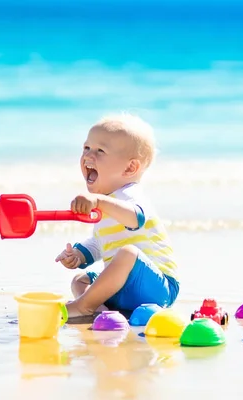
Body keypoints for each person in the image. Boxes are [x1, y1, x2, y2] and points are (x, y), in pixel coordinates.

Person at [55, 113, 179, 319]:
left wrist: (99, 202)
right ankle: (99, 309)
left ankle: (84, 306)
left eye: (100, 151)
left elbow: (135, 219)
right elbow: (99, 242)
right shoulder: (107, 202)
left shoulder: (130, 195)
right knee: (80, 280)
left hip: (159, 287)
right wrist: (78, 255)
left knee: (128, 253)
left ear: (130, 168)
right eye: (86, 148)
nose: (88, 156)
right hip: (124, 288)